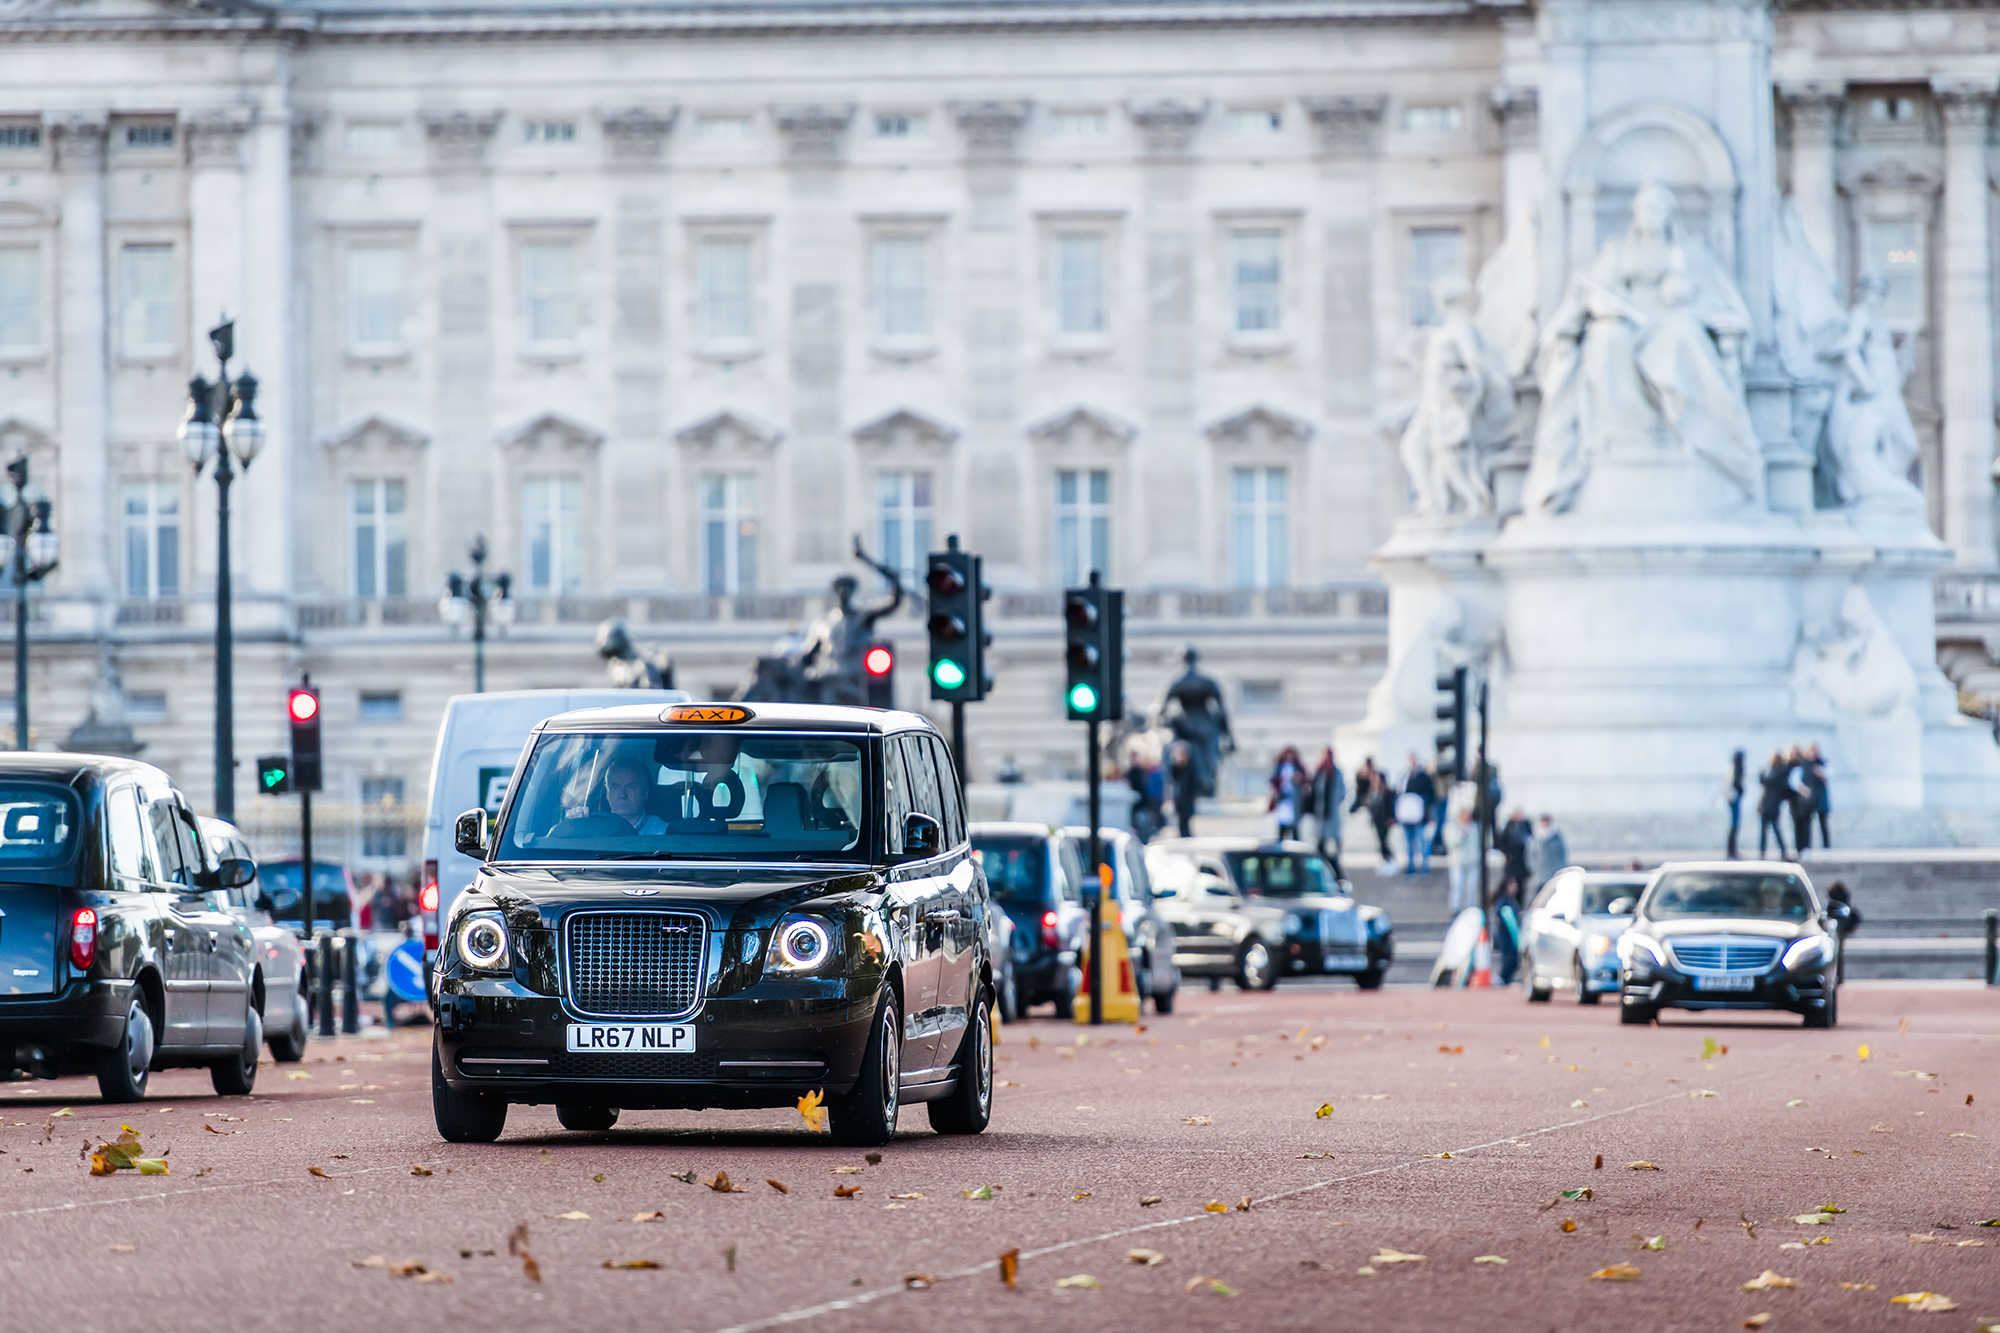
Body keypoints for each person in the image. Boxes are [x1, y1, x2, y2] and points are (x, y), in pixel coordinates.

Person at [1396, 753, 1437, 874]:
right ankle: (1410, 867)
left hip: (1421, 817)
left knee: (1423, 841)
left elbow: (1431, 796)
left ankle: (1425, 867)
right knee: (1409, 842)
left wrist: (1423, 806)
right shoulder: (1405, 776)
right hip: (1407, 817)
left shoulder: (1424, 777)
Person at [1309, 748, 1346, 878]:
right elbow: (1313, 790)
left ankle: (1335, 868)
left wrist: (1336, 801)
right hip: (1320, 813)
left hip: (1332, 813)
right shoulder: (1319, 772)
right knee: (1320, 841)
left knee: (1334, 842)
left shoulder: (1336, 772)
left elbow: (1342, 792)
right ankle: (1321, 865)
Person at [604, 759, 669, 834]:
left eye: (631, 787)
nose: (622, 795)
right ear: (607, 793)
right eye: (615, 788)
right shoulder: (597, 829)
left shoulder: (661, 831)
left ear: (645, 793)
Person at [1351, 757, 1394, 864]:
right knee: (1380, 839)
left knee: (1384, 839)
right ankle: (1386, 857)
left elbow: (1390, 806)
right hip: (1376, 818)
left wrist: (1390, 818)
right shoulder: (1372, 792)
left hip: (1384, 819)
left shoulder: (1387, 792)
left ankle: (1388, 857)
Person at [1443, 807, 1478, 916]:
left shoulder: (1475, 827)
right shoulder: (1452, 827)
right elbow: (1451, 843)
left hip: (1473, 861)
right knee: (1457, 885)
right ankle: (1455, 908)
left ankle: (1470, 907)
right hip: (1457, 861)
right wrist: (1462, 834)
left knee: (1471, 886)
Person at [1756, 750, 1791, 859]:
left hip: (1771, 804)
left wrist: (1763, 770)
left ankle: (1777, 851)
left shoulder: (1778, 772)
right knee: (1768, 830)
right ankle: (1766, 852)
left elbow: (1765, 780)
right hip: (1769, 804)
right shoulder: (1777, 772)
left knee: (1772, 829)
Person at [1268, 746, 1307, 841]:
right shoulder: (1279, 768)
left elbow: (1305, 782)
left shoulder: (1298, 768)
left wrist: (1299, 780)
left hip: (1294, 800)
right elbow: (1273, 781)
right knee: (1282, 827)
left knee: (1294, 828)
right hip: (1283, 800)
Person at [1490, 878, 1522, 987]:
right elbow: (1508, 919)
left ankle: (1504, 980)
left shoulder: (1511, 900)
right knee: (1509, 959)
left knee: (1513, 960)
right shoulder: (1504, 901)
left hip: (1509, 935)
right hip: (1506, 936)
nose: (1515, 886)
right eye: (1512, 884)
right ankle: (1503, 980)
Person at [1785, 745, 1816, 855]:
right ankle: (1799, 849)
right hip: (1794, 802)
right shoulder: (1788, 767)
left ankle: (1805, 848)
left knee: (1806, 826)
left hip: (1805, 803)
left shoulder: (1805, 765)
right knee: (1797, 827)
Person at [1167, 739, 1200, 839]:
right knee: (1181, 819)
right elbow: (1174, 778)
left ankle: (1186, 835)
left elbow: (1194, 783)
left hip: (1187, 798)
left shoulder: (1191, 767)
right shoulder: (1177, 767)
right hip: (1180, 798)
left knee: (1186, 819)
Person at [1529, 814, 1569, 891]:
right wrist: (1533, 868)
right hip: (1540, 874)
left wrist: (1561, 868)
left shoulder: (1556, 837)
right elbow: (1531, 855)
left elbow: (1562, 854)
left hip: (1554, 872)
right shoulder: (1536, 837)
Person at [1497, 808, 1534, 889]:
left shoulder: (1525, 825)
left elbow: (1530, 838)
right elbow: (1503, 841)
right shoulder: (1509, 826)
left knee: (1522, 884)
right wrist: (1507, 853)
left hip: (1523, 859)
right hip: (1512, 859)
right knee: (1511, 883)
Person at [1805, 744, 1831, 850]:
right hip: (1809, 799)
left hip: (1821, 798)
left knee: (1823, 824)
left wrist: (1819, 773)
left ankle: (1826, 848)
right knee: (1808, 826)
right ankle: (1807, 848)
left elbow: (1828, 776)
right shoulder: (1805, 764)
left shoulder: (1822, 763)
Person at [1725, 748, 1745, 860]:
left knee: (1734, 825)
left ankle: (1731, 851)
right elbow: (1736, 784)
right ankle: (1732, 851)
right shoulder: (1737, 768)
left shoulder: (1732, 767)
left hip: (1732, 799)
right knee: (1734, 825)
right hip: (1734, 799)